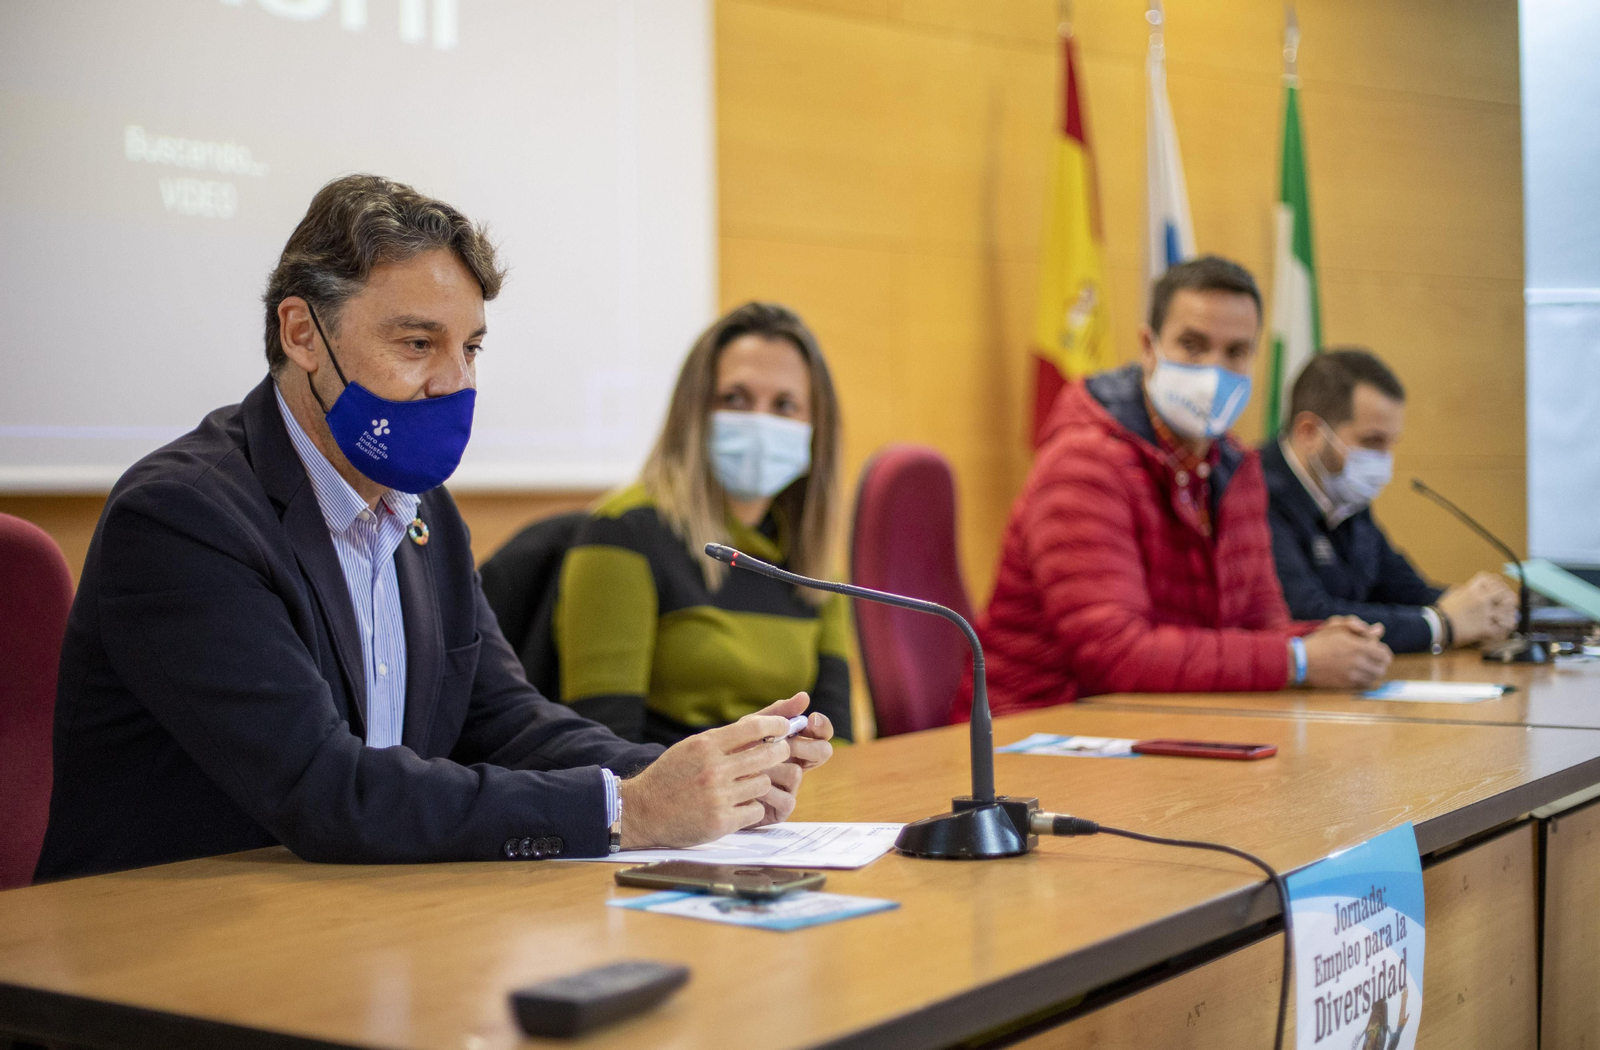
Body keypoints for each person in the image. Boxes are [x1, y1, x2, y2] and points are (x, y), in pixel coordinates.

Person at [35, 176, 832, 881]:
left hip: (346, 920)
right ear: (302, 333)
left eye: (471, 348)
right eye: (418, 344)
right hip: (160, 958)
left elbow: (503, 720)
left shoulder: (422, 509)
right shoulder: (183, 519)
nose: (454, 383)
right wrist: (627, 809)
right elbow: (326, 789)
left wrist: (698, 772)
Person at [965, 256, 1393, 719]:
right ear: (1149, 348)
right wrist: (1300, 659)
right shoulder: (1084, 462)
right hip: (1038, 727)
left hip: (1164, 719)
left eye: (1236, 352)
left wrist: (1324, 640)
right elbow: (1113, 654)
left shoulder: (1236, 466)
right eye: (1192, 344)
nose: (1214, 371)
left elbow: (1259, 624)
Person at [553, 302, 853, 746]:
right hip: (671, 808)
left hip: (793, 809)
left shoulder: (814, 557)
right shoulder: (624, 532)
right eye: (735, 398)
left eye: (785, 405)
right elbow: (603, 751)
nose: (760, 421)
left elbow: (837, 742)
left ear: (815, 427)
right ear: (694, 411)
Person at [1264, 348, 1517, 654]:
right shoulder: (1257, 491)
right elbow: (1306, 613)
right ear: (1310, 432)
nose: (1383, 461)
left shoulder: (1343, 491)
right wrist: (1441, 625)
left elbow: (1402, 588)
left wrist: (1478, 606)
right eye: (1372, 441)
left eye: (1390, 444)